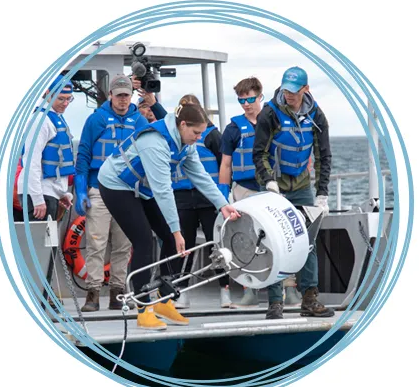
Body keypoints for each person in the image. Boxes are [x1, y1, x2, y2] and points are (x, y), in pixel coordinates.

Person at [97, 103, 240, 330]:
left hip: (142, 188)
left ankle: (164, 300)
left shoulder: (185, 143)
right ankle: (143, 308)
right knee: (144, 240)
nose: (199, 137)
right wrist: (176, 231)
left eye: (202, 133)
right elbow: (163, 190)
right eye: (196, 133)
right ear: (182, 124)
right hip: (117, 185)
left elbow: (201, 176)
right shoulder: (155, 142)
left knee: (172, 240)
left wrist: (223, 204)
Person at [253, 66, 334, 318]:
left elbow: (323, 155)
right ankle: (275, 302)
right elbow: (260, 154)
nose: (289, 95)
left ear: (305, 89)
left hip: (300, 186)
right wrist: (268, 182)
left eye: (294, 91)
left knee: (307, 242)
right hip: (274, 186)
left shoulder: (316, 116)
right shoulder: (270, 114)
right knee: (274, 242)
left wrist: (322, 193)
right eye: (286, 90)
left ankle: (310, 299)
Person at [75, 74, 150, 312]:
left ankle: (118, 290)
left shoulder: (139, 122)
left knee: (123, 244)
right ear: (110, 96)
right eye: (118, 96)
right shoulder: (96, 120)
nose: (123, 100)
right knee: (96, 243)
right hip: (98, 190)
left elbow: (150, 154)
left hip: (128, 191)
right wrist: (80, 190)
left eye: (126, 95)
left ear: (131, 96)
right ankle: (93, 292)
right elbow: (84, 155)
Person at [218, 76, 282, 309]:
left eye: (250, 99)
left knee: (279, 238)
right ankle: (249, 291)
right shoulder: (233, 128)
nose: (246, 104)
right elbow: (225, 164)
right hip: (243, 189)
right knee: (244, 239)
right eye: (241, 100)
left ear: (260, 96)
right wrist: (224, 193)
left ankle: (289, 289)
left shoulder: (274, 121)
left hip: (270, 188)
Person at [166, 94, 232, 309]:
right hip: (182, 198)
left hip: (207, 200)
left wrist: (223, 194)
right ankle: (181, 292)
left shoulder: (212, 135)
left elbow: (225, 162)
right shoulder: (175, 137)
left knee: (217, 244)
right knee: (184, 246)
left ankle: (225, 290)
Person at [17, 74, 74, 221]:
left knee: (50, 244)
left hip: (49, 194)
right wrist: (37, 199)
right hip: (39, 194)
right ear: (48, 93)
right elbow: (31, 161)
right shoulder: (40, 122)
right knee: (40, 243)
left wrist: (62, 194)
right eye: (61, 99)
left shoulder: (55, 117)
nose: (65, 103)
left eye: (69, 99)